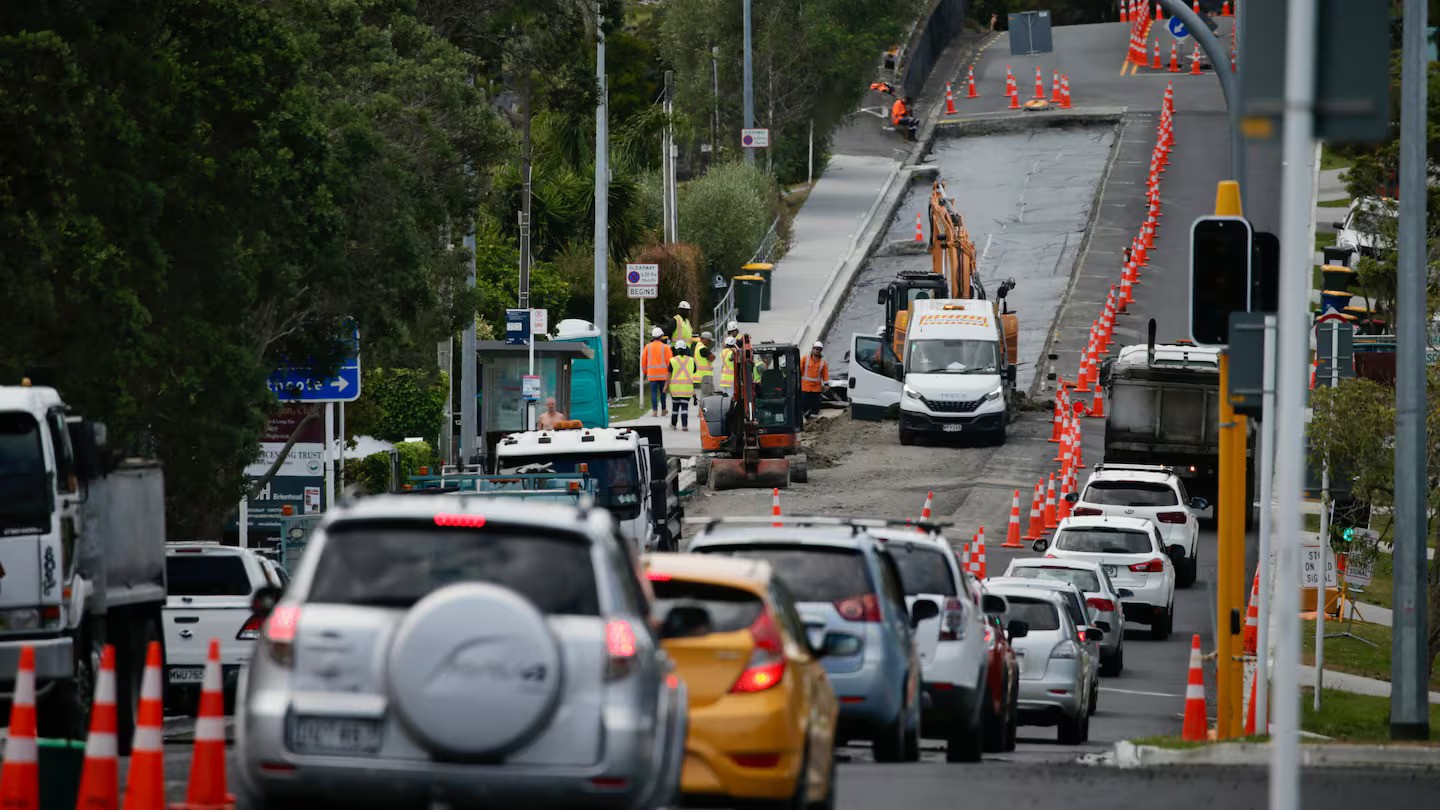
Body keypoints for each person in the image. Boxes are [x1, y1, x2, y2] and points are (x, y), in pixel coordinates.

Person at [666, 340, 697, 431]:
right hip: (687, 388)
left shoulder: (673, 360)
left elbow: (669, 374)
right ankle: (684, 425)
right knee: (684, 408)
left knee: (675, 408)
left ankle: (673, 424)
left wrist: (665, 386)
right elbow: (694, 370)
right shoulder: (691, 360)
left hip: (675, 389)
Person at [642, 327, 673, 417]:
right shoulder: (666, 347)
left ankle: (654, 411)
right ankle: (663, 410)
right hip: (663, 375)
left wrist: (645, 372)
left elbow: (644, 361)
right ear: (661, 336)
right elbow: (670, 362)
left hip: (652, 374)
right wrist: (670, 374)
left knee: (653, 393)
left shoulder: (648, 347)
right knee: (663, 393)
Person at [800, 341, 829, 418]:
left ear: (821, 351)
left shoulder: (823, 362)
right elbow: (799, 370)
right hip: (805, 387)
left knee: (815, 406)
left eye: (818, 349)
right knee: (804, 405)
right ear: (812, 349)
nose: (817, 350)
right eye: (815, 349)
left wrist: (826, 384)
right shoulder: (805, 359)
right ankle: (804, 418)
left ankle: (813, 421)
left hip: (816, 388)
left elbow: (825, 374)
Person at [694, 331, 715, 398]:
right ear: (705, 339)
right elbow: (712, 357)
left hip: (702, 375)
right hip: (705, 376)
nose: (710, 343)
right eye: (709, 341)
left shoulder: (698, 346)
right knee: (707, 396)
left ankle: (702, 408)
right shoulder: (703, 348)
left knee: (705, 395)